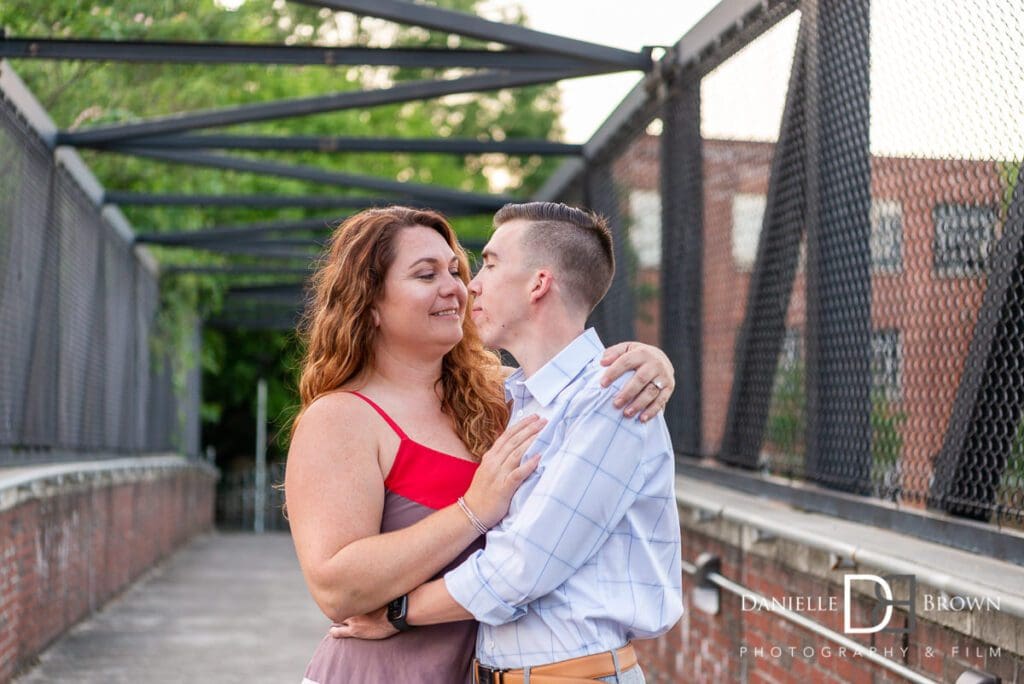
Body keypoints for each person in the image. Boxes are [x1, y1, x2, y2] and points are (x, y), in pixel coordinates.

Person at [285, 205, 677, 684]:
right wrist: (473, 509)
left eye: (458, 268)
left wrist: (651, 363)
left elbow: (574, 382)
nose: (458, 286)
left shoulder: (505, 398)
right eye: (426, 274)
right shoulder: (341, 417)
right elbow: (335, 589)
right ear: (370, 303)